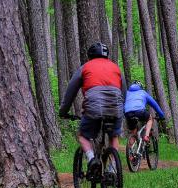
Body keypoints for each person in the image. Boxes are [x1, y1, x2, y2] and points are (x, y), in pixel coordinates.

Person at [59, 42, 126, 172]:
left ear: (90, 55)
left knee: (83, 136)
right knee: (113, 136)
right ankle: (112, 170)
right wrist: (121, 109)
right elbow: (123, 92)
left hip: (94, 108)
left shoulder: (85, 67)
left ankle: (91, 159)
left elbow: (70, 91)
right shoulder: (116, 68)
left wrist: (63, 111)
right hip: (116, 108)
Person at [124, 81, 165, 146]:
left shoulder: (127, 93)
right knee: (150, 119)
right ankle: (146, 136)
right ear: (140, 87)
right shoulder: (143, 93)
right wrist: (162, 115)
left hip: (128, 113)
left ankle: (130, 152)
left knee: (133, 132)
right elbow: (155, 105)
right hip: (140, 111)